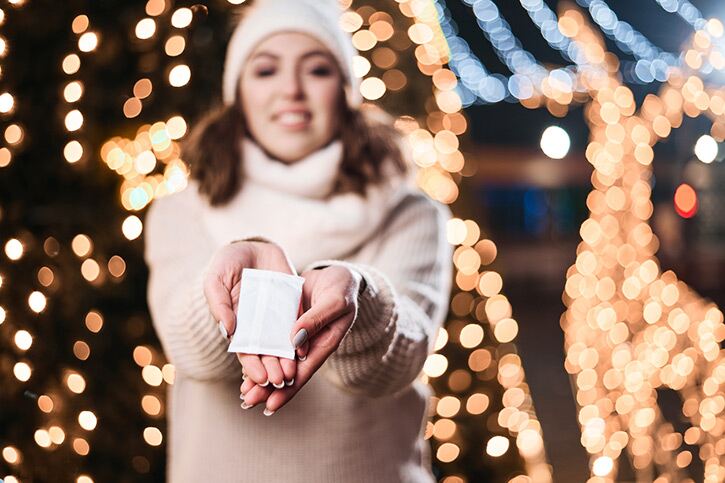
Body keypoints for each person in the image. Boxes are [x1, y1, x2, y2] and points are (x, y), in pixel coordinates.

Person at [143, 0, 453, 481]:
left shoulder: (411, 213)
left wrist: (359, 296)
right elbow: (193, 354)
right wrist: (229, 287)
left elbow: (397, 363)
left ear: (346, 90)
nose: (291, 90)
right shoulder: (182, 211)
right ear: (238, 92)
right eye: (266, 70)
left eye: (318, 70)